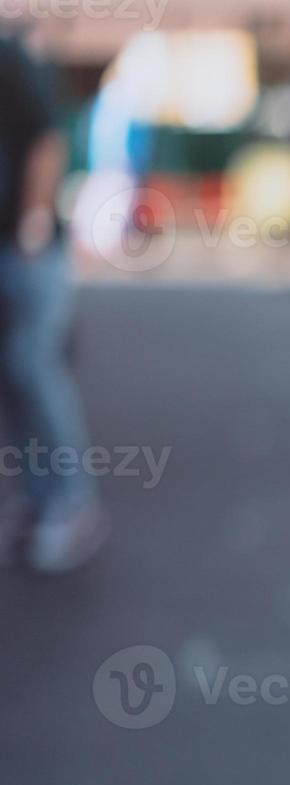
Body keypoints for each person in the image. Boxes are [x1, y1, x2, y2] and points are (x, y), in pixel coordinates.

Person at [0, 34, 106, 573]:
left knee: (34, 369)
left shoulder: (8, 57)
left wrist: (33, 225)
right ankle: (42, 501)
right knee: (16, 379)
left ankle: (71, 504)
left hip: (25, 253)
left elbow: (47, 142)